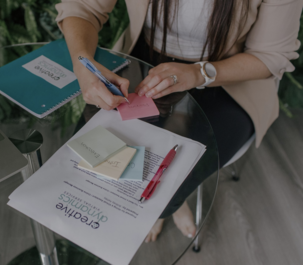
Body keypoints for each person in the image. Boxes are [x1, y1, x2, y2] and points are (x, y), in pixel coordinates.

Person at [55, 0, 302, 242]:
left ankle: (174, 205)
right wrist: (82, 64)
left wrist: (199, 73)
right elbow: (83, 7)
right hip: (145, 59)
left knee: (164, 193)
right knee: (94, 163)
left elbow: (270, 55)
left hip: (228, 76)